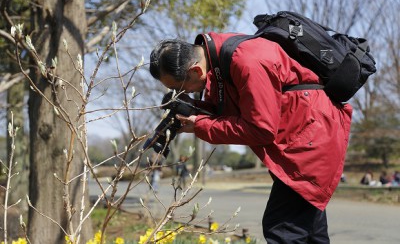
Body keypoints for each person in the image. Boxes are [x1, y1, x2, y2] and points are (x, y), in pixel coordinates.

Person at [149, 32, 352, 243]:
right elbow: (228, 111)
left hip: (312, 141)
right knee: (309, 233)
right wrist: (190, 109)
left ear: (195, 70)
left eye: (178, 88)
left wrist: (199, 126)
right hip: (302, 139)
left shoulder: (248, 61)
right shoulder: (218, 64)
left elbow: (261, 129)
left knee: (282, 230)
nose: (180, 93)